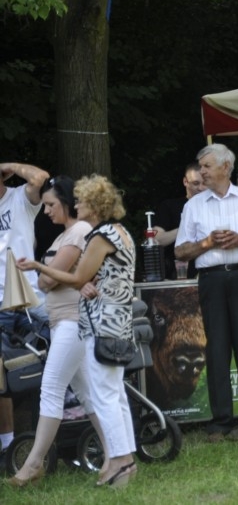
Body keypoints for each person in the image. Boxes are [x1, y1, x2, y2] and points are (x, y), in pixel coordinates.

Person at [18, 174, 139, 486]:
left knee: (105, 395)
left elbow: (75, 278)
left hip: (101, 323)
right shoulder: (120, 232)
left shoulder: (101, 236)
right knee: (113, 393)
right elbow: (90, 278)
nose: (77, 205)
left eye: (81, 201)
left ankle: (120, 461)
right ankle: (124, 461)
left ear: (95, 205)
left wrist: (38, 266)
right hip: (116, 322)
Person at [8, 176, 106, 487]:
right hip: (63, 320)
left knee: (51, 388)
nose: (46, 210)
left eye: (51, 204)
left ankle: (33, 464)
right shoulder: (65, 235)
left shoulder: (78, 231)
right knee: (88, 394)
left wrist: (45, 274)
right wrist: (49, 277)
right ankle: (119, 455)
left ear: (66, 202)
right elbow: (50, 280)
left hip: (72, 321)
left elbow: (49, 281)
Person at [175, 143, 238, 445]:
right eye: (201, 167)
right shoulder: (194, 205)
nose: (201, 172)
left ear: (226, 167)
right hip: (212, 279)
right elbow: (180, 251)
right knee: (217, 350)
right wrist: (206, 244)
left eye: (207, 166)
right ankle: (220, 422)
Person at [0, 161, 49, 462]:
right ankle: (7, 444)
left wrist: (8, 165)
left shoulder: (20, 198)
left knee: (67, 338)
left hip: (31, 297)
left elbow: (41, 178)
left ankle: (71, 413)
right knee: (0, 374)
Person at [153, 162, 206, 279]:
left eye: (204, 183)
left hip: (210, 273)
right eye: (196, 183)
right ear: (185, 182)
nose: (201, 188)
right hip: (178, 274)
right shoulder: (169, 206)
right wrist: (186, 228)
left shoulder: (215, 206)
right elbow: (156, 239)